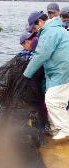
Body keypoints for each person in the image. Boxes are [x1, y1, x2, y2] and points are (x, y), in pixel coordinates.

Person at [23, 11, 69, 140]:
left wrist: (27, 74)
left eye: (34, 26)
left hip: (62, 69)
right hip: (56, 71)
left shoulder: (49, 32)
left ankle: (66, 129)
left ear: (40, 21)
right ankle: (57, 127)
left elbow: (41, 55)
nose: (34, 30)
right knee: (59, 101)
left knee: (52, 100)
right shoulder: (54, 29)